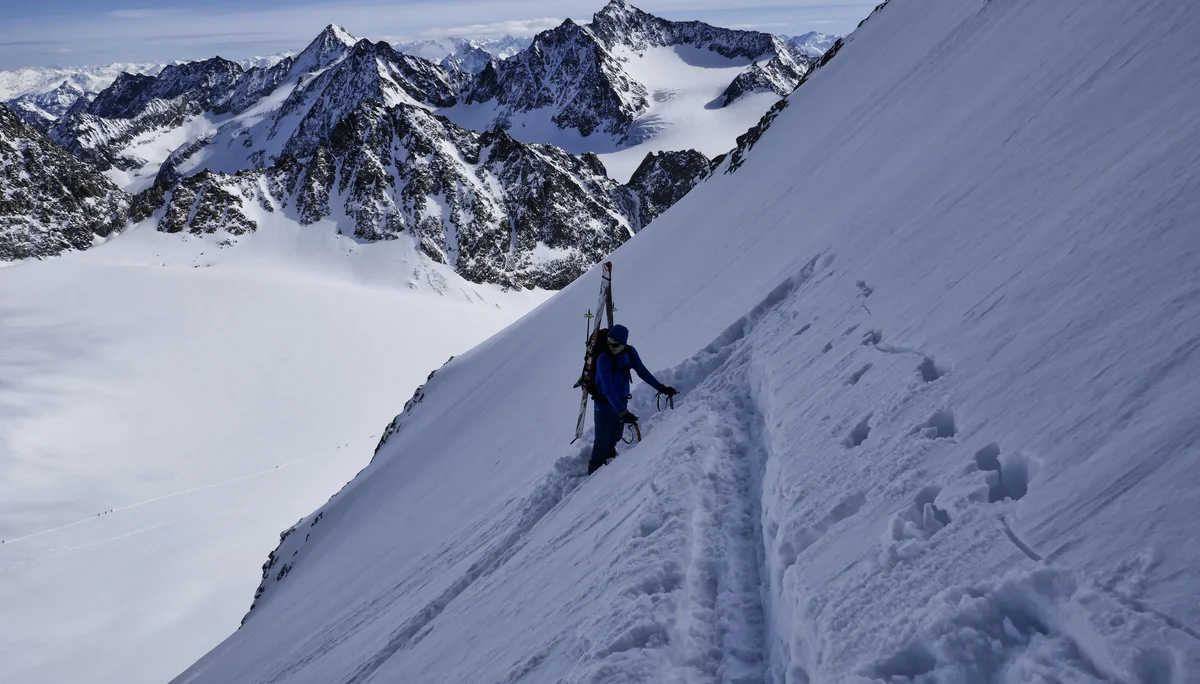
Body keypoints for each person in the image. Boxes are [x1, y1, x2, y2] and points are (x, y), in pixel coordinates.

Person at [589, 324, 677, 474]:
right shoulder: (603, 359)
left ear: (624, 343)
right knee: (601, 443)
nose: (611, 347)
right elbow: (608, 389)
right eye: (608, 343)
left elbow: (642, 371)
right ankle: (593, 474)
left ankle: (607, 471)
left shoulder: (629, 353)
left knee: (615, 437)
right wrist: (622, 412)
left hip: (621, 403)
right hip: (604, 406)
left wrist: (660, 387)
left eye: (615, 345)